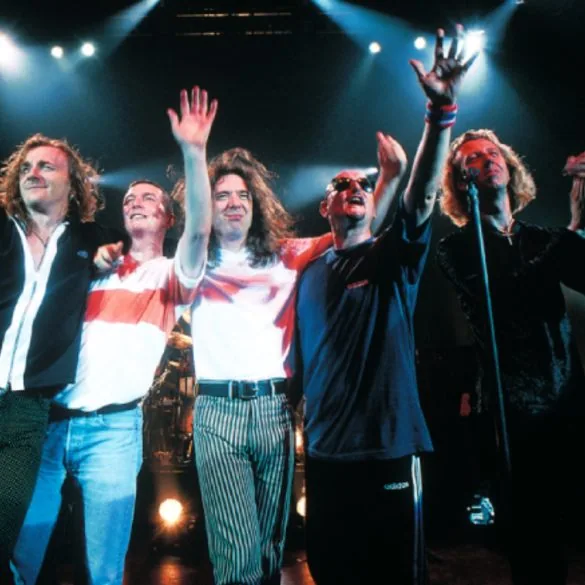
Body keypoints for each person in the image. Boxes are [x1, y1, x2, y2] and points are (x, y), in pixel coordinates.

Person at [173, 104, 407, 585]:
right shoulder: (195, 261)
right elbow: (195, 227)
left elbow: (356, 231)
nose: (233, 202)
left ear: (256, 203)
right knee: (237, 557)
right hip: (218, 411)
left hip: (275, 410)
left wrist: (388, 181)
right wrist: (195, 153)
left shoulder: (287, 256)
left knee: (268, 554)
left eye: (242, 194)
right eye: (221, 195)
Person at [293, 24, 477, 585]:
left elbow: (420, 200)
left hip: (388, 448)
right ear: (324, 206)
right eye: (340, 184)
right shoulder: (307, 274)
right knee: (331, 569)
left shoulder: (391, 256)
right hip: (326, 453)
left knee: (393, 574)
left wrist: (439, 115)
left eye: (362, 184)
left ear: (373, 204)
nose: (352, 187)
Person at [11, 86, 215, 585]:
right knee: (19, 559)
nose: (136, 202)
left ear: (168, 217)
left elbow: (199, 232)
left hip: (112, 432)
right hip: (46, 421)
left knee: (103, 569)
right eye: (129, 199)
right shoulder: (89, 265)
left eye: (149, 198)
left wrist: (194, 153)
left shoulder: (171, 275)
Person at [436, 130, 585, 585]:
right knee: (533, 541)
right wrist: (572, 229)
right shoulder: (458, 249)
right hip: (512, 413)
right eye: (474, 158)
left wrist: (581, 219)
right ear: (461, 181)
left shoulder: (541, 238)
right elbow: (508, 297)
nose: (488, 160)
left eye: (493, 152)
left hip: (565, 401)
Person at [0, 133, 123, 578]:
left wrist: (111, 256)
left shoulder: (89, 239)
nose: (33, 173)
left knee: (4, 533)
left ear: (72, 184)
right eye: (26, 167)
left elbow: (137, 247)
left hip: (27, 412)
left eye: (46, 166)